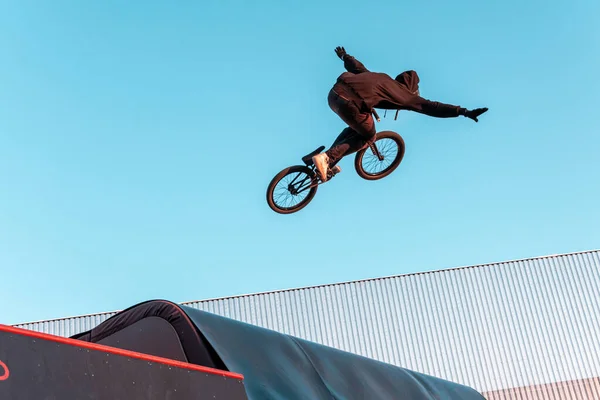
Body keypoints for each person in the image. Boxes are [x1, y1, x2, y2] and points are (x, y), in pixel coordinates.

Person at [312, 46, 489, 181]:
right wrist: (464, 112)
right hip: (350, 103)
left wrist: (345, 56)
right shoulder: (405, 96)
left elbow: (357, 67)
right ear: (411, 89)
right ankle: (327, 157)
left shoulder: (382, 77)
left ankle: (327, 162)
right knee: (368, 136)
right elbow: (432, 107)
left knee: (357, 127)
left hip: (334, 94)